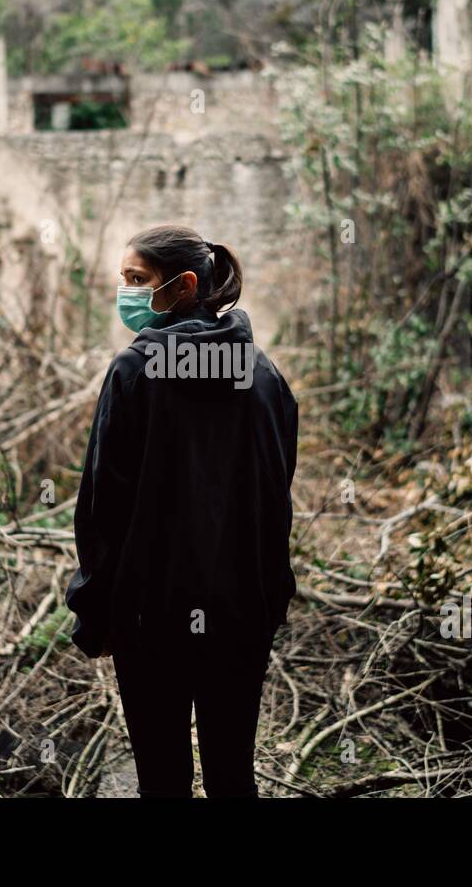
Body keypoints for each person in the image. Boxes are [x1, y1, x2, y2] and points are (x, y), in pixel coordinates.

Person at [65, 223, 299, 798]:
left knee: (162, 779)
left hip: (151, 620)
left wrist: (94, 613)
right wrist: (271, 602)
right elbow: (277, 499)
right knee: (232, 775)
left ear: (185, 285)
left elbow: (101, 509)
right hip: (242, 617)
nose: (127, 292)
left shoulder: (133, 374)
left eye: (137, 280)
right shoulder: (264, 376)